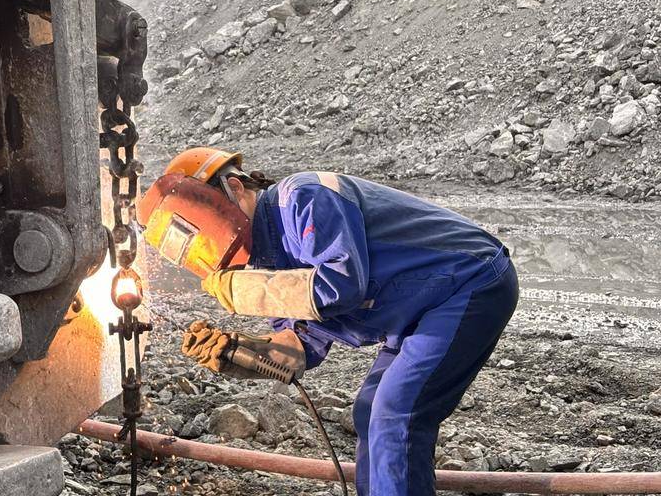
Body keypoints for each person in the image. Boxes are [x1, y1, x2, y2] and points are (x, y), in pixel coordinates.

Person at [136, 147, 519, 496]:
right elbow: (301, 345)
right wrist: (241, 352)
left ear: (235, 188)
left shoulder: (303, 198)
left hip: (469, 280)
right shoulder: (268, 262)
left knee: (397, 413)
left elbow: (342, 284)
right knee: (369, 410)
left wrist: (246, 291)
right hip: (418, 310)